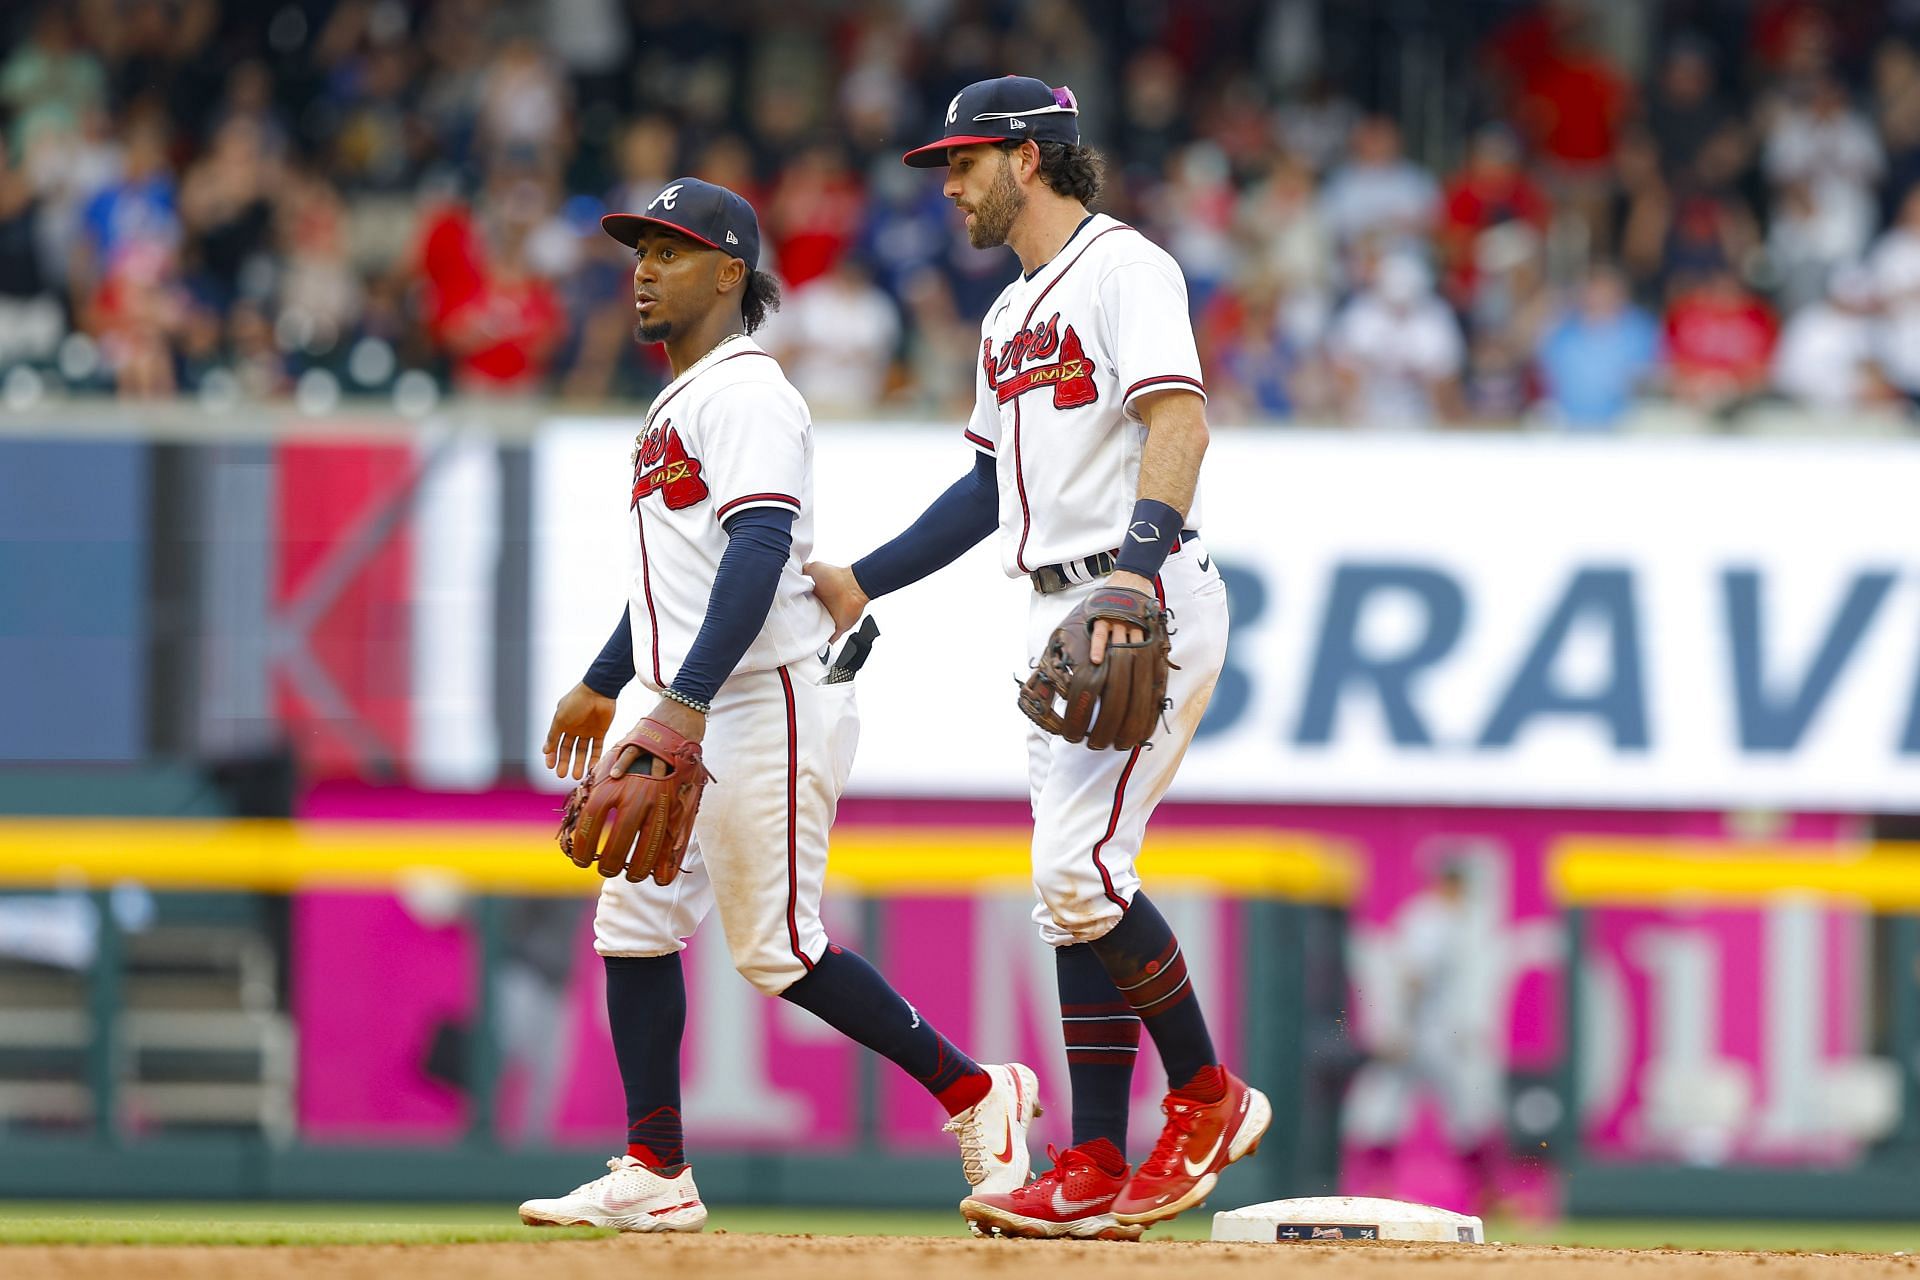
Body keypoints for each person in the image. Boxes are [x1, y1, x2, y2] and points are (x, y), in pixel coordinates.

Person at [518, 177, 1040, 1233]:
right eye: (637, 252)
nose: (644, 270)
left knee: (778, 947)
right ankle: (655, 1167)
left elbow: (759, 549)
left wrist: (686, 704)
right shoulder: (682, 398)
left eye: (668, 251)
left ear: (729, 272)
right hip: (686, 696)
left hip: (759, 698)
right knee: (632, 921)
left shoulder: (749, 392)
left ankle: (979, 1092)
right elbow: (679, 573)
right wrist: (606, 680)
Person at [805, 77, 1270, 1241]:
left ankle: (1208, 1095)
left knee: (1078, 866)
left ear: (1028, 158)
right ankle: (1097, 1155)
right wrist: (867, 577)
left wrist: (1131, 576)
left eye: (962, 162)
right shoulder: (1006, 317)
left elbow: (1180, 424)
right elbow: (984, 487)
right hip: (1058, 616)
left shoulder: (1126, 268)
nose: (947, 185)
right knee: (1067, 894)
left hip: (1138, 596)